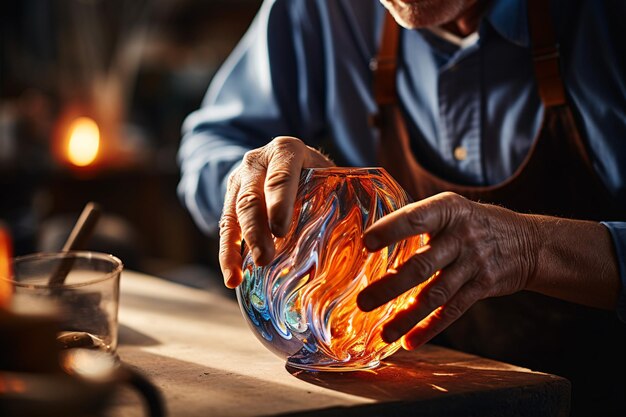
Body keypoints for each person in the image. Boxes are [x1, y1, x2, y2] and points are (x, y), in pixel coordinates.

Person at [178, 0, 626, 414]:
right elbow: (212, 143)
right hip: (405, 392)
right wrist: (264, 186)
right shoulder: (324, 9)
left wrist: (532, 248)